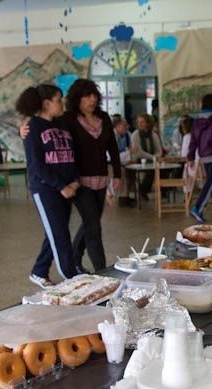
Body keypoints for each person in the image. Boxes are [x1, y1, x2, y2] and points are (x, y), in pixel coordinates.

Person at [16, 84, 80, 288]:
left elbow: (72, 153)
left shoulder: (63, 123)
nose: (62, 104)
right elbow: (36, 165)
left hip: (67, 187)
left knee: (55, 230)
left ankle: (39, 271)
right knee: (60, 234)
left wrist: (75, 180)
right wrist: (61, 186)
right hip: (46, 189)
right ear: (46, 104)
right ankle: (72, 278)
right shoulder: (32, 126)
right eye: (58, 100)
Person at [64, 79, 121, 272]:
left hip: (101, 179)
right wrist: (24, 128)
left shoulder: (103, 117)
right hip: (79, 182)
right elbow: (44, 127)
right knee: (94, 227)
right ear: (77, 98)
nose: (92, 99)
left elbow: (113, 147)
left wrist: (117, 175)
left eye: (94, 95)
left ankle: (75, 257)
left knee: (91, 222)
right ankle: (102, 272)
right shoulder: (68, 119)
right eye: (87, 96)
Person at [188, 94, 212, 222]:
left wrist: (191, 156)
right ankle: (197, 208)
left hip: (203, 155)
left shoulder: (197, 121)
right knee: (210, 183)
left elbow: (193, 140)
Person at [131, 113, 163, 201]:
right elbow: (139, 152)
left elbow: (159, 151)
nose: (140, 124)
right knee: (152, 168)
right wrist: (153, 157)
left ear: (148, 123)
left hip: (152, 160)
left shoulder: (154, 135)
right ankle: (143, 190)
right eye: (138, 122)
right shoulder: (135, 134)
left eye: (142, 122)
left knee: (163, 168)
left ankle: (163, 191)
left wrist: (155, 157)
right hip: (139, 160)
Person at [113, 117, 136, 207]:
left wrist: (129, 158)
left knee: (131, 169)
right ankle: (122, 198)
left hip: (120, 161)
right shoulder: (112, 136)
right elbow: (112, 156)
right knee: (122, 171)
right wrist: (129, 153)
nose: (127, 127)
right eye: (124, 125)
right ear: (117, 126)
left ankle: (126, 195)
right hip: (109, 163)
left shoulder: (125, 135)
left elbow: (125, 150)